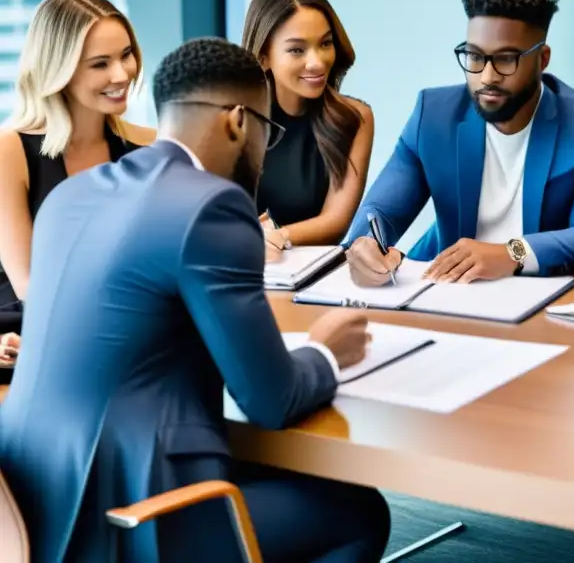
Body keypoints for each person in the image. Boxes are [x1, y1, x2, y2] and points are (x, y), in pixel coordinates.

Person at [0, 38, 391, 561]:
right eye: (265, 131)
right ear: (236, 121)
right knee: (359, 512)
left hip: (30, 512)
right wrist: (323, 352)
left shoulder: (71, 196)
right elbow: (271, 401)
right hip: (136, 521)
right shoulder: (213, 204)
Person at [344, 0, 574, 285]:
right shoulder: (435, 115)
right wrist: (366, 246)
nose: (488, 76)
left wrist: (511, 253)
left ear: (542, 59)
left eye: (506, 59)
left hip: (542, 299)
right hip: (446, 293)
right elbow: (379, 211)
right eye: (475, 56)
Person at [0, 0, 154, 339]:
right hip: (28, 328)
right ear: (60, 70)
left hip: (118, 327)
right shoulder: (10, 150)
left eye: (126, 55)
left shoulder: (150, 145)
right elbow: (28, 285)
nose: (122, 74)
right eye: (100, 64)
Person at [243, 0, 374, 248]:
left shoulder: (355, 118)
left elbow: (335, 223)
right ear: (263, 57)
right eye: (296, 50)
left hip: (311, 276)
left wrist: (276, 236)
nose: (316, 62)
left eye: (325, 44)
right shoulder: (232, 119)